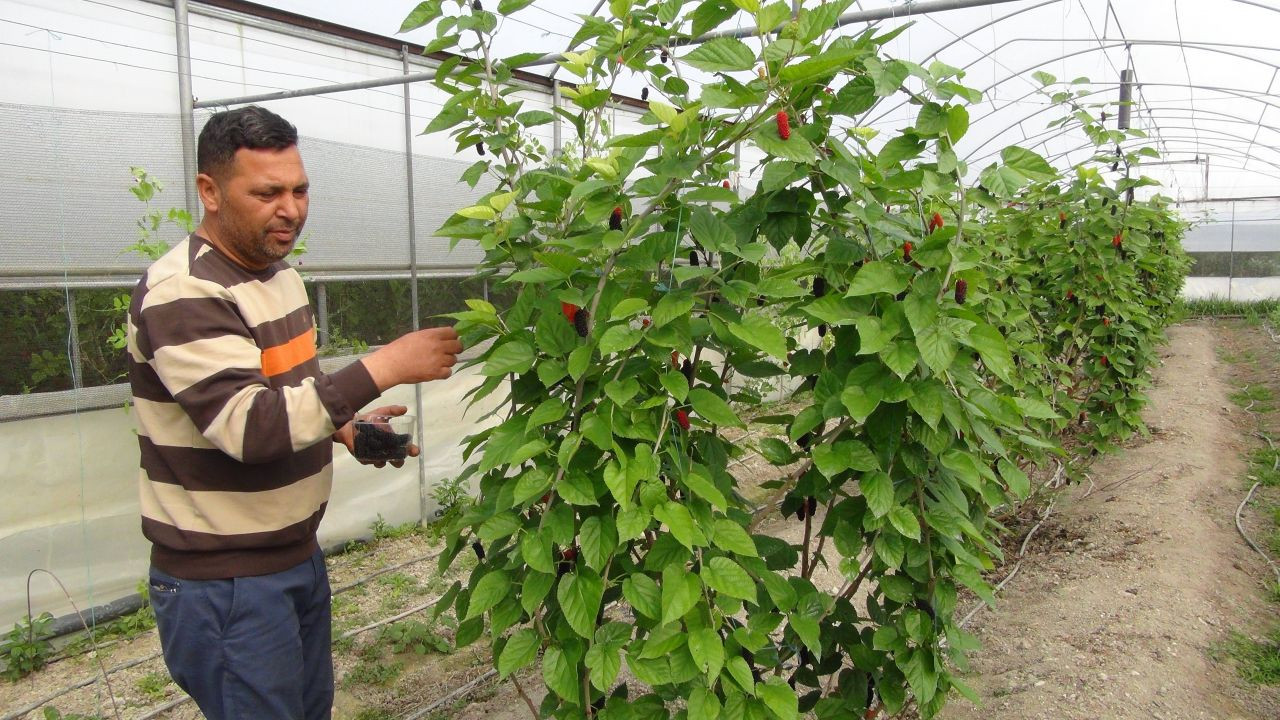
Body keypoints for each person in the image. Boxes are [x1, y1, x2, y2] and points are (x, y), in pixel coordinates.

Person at [126, 105, 461, 720]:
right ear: (211, 191)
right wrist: (384, 366)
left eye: (300, 189)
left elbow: (284, 395)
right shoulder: (186, 291)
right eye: (268, 192)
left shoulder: (278, 277)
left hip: (292, 558)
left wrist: (344, 430)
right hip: (227, 583)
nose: (292, 209)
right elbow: (250, 429)